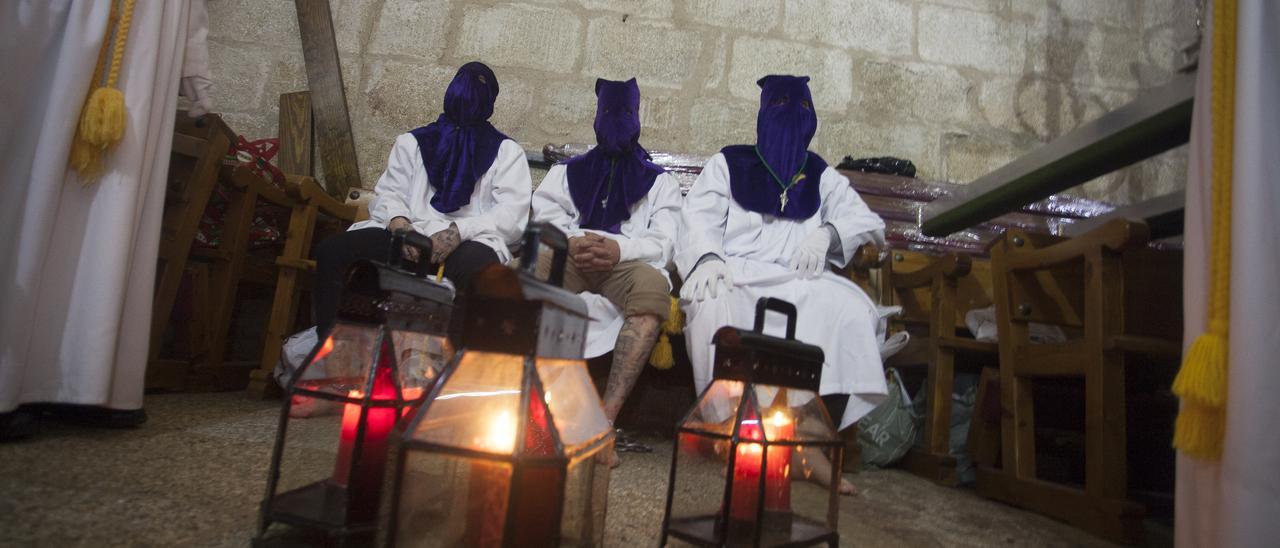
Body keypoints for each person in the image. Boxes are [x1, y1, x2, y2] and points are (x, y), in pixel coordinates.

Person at [1, 0, 211, 438]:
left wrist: (194, 66)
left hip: (148, 29)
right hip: (52, 25)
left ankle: (88, 382)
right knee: (30, 166)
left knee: (115, 202)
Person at [675, 75, 888, 492]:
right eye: (779, 106)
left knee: (851, 312)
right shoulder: (729, 162)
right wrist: (708, 258)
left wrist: (826, 233)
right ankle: (733, 434)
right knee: (711, 299)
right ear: (761, 115)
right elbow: (698, 217)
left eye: (802, 109)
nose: (790, 118)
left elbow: (867, 222)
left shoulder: (820, 173)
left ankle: (807, 441)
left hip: (798, 278)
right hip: (736, 273)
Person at [311, 61, 531, 339]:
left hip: (465, 245)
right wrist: (401, 225)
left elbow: (511, 216)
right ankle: (332, 351)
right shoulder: (412, 142)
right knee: (333, 251)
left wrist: (457, 232)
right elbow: (389, 193)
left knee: (485, 276)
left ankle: (449, 367)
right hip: (406, 237)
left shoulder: (506, 152)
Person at [531, 78, 681, 466]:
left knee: (652, 294)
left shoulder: (660, 182)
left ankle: (601, 423)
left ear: (639, 118)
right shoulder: (566, 173)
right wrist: (573, 240)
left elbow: (666, 242)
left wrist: (620, 248)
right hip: (573, 254)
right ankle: (553, 413)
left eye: (627, 114)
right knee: (526, 275)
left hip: (626, 264)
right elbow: (543, 217)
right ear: (596, 118)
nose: (618, 122)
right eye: (610, 114)